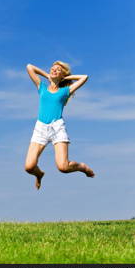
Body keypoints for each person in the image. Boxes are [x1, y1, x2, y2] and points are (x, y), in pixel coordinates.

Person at [25, 61, 95, 189]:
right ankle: (39, 174)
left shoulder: (65, 91)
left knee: (63, 167)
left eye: (58, 70)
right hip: (40, 128)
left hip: (57, 128)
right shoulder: (42, 87)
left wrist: (65, 77)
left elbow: (84, 77)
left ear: (62, 75)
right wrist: (47, 76)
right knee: (29, 167)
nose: (54, 70)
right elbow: (30, 67)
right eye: (53, 68)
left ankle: (82, 167)